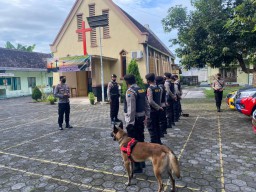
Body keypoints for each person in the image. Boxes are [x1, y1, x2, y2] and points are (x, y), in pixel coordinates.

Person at [124, 74, 150, 173]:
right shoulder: (141, 89)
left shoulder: (130, 91)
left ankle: (136, 166)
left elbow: (131, 109)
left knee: (133, 144)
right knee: (140, 140)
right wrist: (147, 116)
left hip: (134, 121)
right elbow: (147, 104)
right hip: (141, 119)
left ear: (127, 82)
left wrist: (129, 123)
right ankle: (142, 162)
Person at [145, 73, 163, 144]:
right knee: (157, 126)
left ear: (148, 80)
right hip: (158, 110)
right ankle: (158, 142)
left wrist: (157, 107)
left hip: (152, 111)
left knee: (152, 127)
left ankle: (154, 143)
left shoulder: (150, 88)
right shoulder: (159, 88)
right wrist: (159, 107)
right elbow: (160, 99)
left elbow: (150, 101)